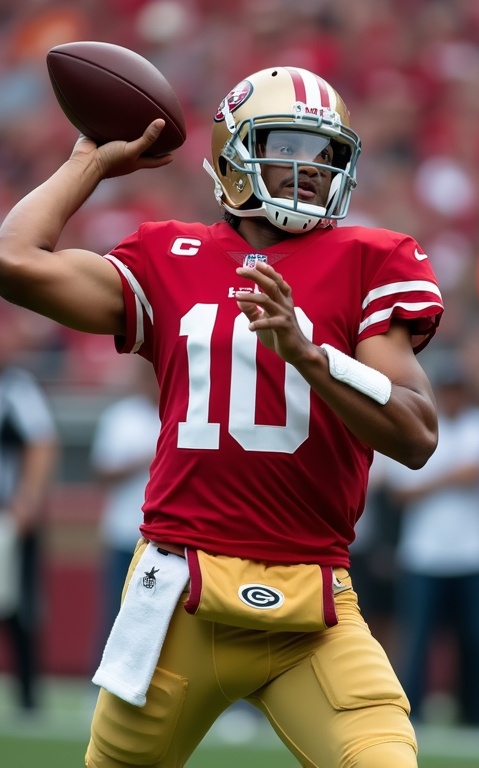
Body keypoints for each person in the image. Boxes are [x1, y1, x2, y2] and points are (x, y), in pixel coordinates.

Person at [0, 66, 444, 768]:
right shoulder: (167, 257)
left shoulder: (370, 260)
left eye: (324, 156)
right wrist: (89, 161)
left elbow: (418, 433)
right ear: (235, 155)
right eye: (288, 147)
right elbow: (12, 258)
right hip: (179, 596)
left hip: (316, 607)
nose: (308, 171)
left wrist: (309, 354)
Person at [384, 356, 479, 727]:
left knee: (476, 639)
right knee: (418, 639)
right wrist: (445, 476)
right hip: (425, 553)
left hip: (475, 553)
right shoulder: (421, 426)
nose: (453, 398)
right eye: (448, 391)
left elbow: (472, 472)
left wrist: (429, 479)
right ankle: (412, 712)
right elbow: (400, 492)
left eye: (458, 390)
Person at [0, 304, 58, 712]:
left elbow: (41, 442)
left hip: (8, 515)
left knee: (19, 605)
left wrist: (27, 500)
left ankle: (27, 696)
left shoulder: (16, 387)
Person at [90, 356, 160, 645]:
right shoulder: (121, 416)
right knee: (117, 610)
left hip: (166, 537)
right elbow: (101, 471)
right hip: (125, 532)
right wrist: (145, 459)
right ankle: (99, 681)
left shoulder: (181, 413)